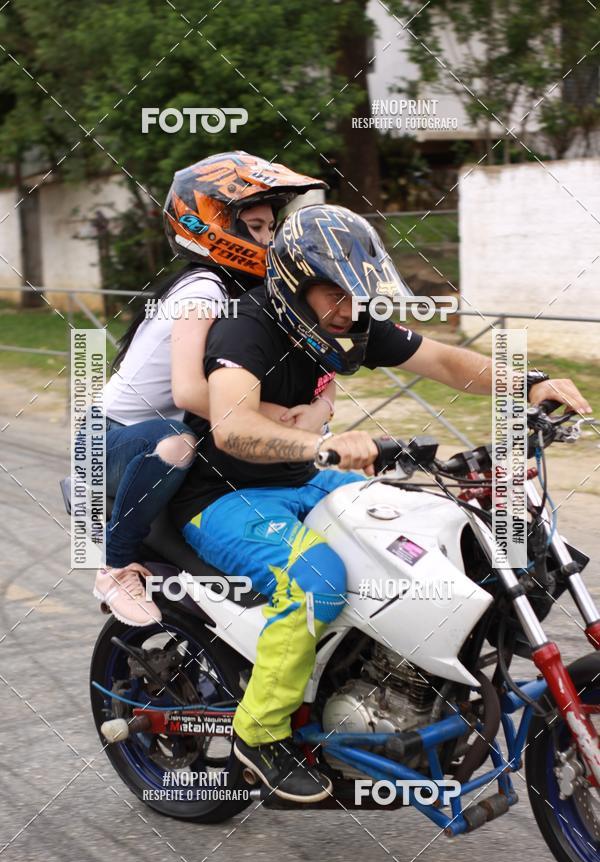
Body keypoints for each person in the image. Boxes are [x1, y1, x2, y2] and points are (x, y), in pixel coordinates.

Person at [170, 203, 592, 803]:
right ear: (293, 281)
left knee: (433, 529)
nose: (349, 308)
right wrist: (324, 443)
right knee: (319, 578)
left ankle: (401, 675)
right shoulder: (247, 326)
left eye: (359, 294)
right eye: (334, 294)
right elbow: (233, 429)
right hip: (224, 494)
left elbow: (445, 360)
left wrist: (530, 381)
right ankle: (259, 734)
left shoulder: (347, 322)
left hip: (304, 479)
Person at [95, 151, 331, 627]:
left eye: (272, 228)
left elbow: (320, 366)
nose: (269, 239)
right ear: (213, 225)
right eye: (258, 227)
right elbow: (187, 391)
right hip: (116, 439)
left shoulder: (242, 291)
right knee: (176, 443)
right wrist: (271, 415)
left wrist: (316, 407)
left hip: (152, 434)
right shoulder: (204, 290)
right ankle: (115, 567)